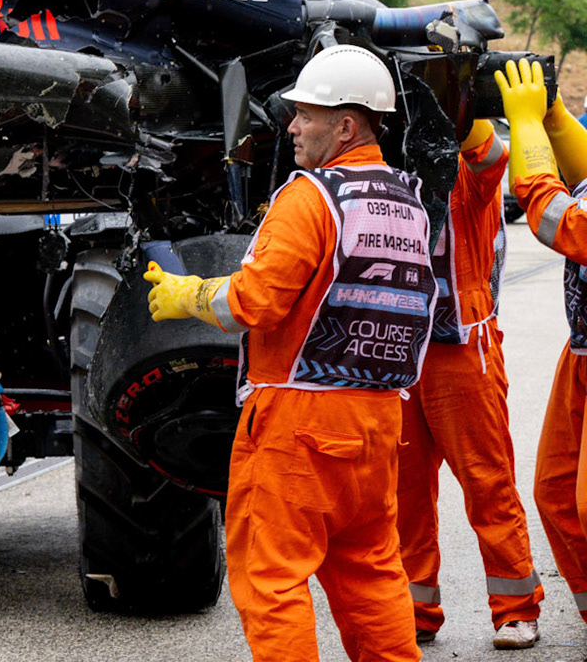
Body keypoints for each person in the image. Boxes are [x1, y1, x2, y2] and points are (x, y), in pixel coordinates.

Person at [147, 45, 430, 661]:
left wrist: (189, 294)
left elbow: (257, 300)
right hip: (377, 420)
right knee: (372, 572)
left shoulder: (310, 198)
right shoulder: (406, 201)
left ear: (347, 126)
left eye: (306, 115)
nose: (292, 126)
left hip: (298, 425)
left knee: (272, 579)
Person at [397, 116, 542, 647]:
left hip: (462, 352)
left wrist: (454, 100)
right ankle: (415, 611)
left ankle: (515, 610)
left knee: (487, 483)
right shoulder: (385, 167)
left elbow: (490, 157)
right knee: (403, 492)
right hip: (399, 353)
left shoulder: (468, 173)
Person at [495, 62, 587, 643]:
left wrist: (527, 127)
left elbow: (560, 220)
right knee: (556, 493)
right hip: (580, 354)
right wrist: (553, 116)